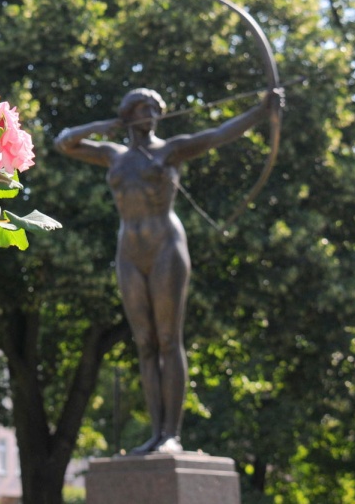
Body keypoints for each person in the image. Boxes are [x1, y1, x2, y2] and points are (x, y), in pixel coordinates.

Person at [54, 87, 282, 454]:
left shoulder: (170, 149)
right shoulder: (112, 154)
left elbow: (218, 135)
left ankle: (171, 434)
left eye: (156, 110)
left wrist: (261, 112)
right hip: (129, 251)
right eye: (144, 109)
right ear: (128, 114)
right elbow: (64, 142)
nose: (152, 115)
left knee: (167, 339)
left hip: (165, 247)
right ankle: (156, 433)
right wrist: (104, 125)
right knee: (144, 344)